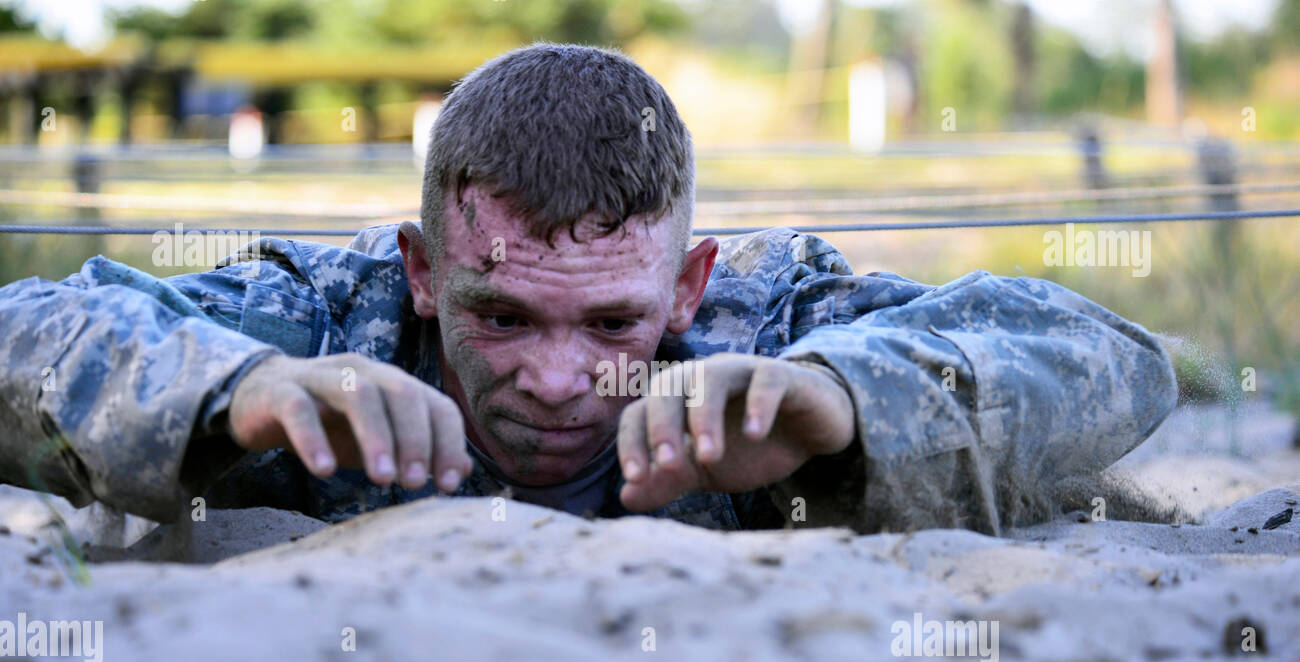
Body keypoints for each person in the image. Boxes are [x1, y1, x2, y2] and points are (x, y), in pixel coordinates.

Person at [0, 43, 1177, 535]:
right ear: (421, 271)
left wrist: (839, 403)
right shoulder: (326, 313)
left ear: (686, 286)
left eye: (613, 320)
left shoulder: (758, 318)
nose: (558, 380)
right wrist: (241, 391)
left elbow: (1114, 359)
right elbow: (25, 329)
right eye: (498, 316)